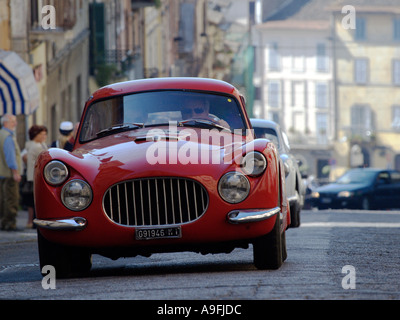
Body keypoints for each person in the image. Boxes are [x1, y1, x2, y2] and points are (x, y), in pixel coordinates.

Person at [23, 125, 48, 228]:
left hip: (34, 176)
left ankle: (32, 221)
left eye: (45, 134)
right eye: (41, 134)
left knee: (33, 202)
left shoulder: (40, 144)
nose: (44, 136)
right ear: (35, 135)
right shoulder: (36, 146)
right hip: (34, 177)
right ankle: (34, 222)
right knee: (35, 201)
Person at [0, 114, 22, 231]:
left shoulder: (1, 134)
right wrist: (15, 172)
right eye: (13, 121)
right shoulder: (8, 136)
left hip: (2, 173)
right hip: (9, 174)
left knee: (3, 198)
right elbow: (11, 157)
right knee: (11, 198)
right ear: (5, 123)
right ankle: (9, 223)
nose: (15, 124)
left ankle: (4, 222)